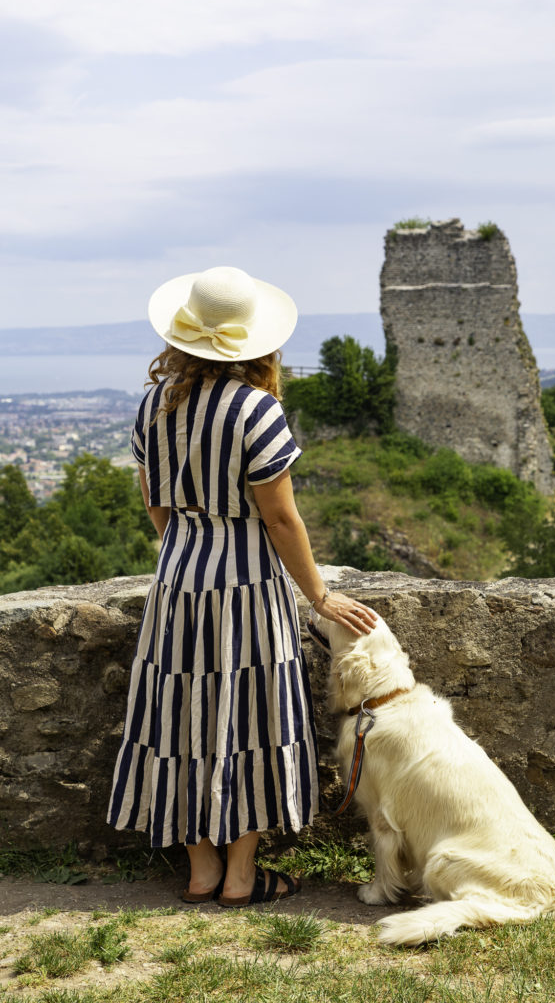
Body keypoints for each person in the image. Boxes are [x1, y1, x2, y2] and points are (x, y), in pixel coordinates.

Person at [107, 265, 376, 906]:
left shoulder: (152, 405)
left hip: (177, 580)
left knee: (179, 720)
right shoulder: (258, 411)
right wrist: (319, 595)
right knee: (251, 719)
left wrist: (187, 544)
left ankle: (199, 870)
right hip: (249, 584)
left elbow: (156, 504)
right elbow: (280, 518)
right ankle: (239, 876)